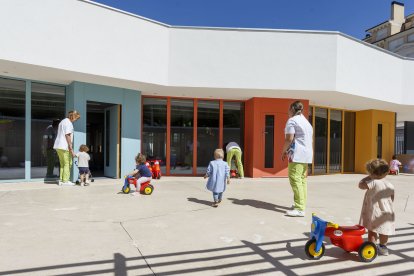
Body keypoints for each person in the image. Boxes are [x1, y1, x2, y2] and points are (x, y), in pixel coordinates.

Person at [281, 101, 313, 217]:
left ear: (292, 109)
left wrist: (283, 151)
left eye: (288, 110)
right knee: (302, 180)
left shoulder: (292, 120)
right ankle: (301, 204)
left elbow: (289, 139)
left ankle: (299, 209)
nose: (288, 112)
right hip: (307, 154)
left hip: (298, 154)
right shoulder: (306, 122)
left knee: (295, 179)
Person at [359, 159, 395, 256]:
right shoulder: (390, 184)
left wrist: (368, 177)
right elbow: (392, 198)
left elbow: (360, 185)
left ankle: (372, 247)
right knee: (384, 231)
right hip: (387, 212)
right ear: (386, 172)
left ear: (372, 173)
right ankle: (383, 247)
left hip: (375, 212)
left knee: (372, 230)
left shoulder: (373, 182)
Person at [53, 110, 81, 186]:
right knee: (68, 163)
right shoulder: (68, 123)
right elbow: (67, 135)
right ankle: (65, 181)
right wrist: (71, 148)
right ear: (73, 116)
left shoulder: (62, 121)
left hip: (58, 146)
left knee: (62, 163)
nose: (76, 120)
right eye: (76, 118)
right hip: (64, 146)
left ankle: (61, 180)